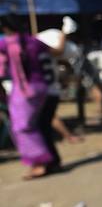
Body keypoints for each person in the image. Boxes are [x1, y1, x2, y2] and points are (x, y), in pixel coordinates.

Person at [0, 14, 59, 179]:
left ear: (5, 28)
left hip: (24, 89)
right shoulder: (35, 41)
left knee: (22, 127)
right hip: (42, 87)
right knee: (36, 125)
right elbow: (55, 52)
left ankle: (40, 163)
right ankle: (48, 161)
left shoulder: (7, 43)